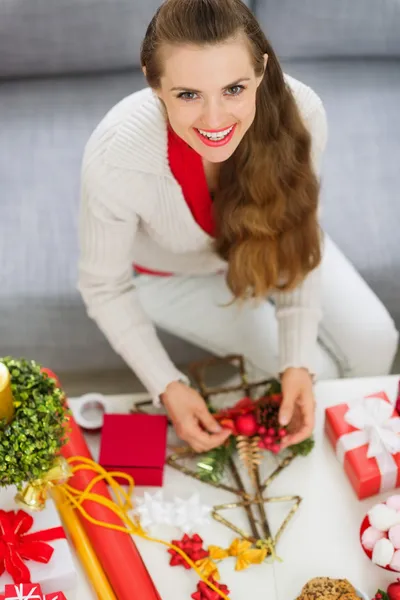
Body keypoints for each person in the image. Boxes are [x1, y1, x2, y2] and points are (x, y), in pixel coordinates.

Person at [78, 0, 398, 454]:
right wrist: (167, 385)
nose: (214, 121)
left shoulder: (301, 112)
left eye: (234, 89)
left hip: (270, 248)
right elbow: (103, 286)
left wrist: (295, 357)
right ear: (153, 80)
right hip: (176, 277)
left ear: (261, 70)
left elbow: (298, 236)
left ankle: (363, 460)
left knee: (374, 340)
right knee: (318, 367)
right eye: (188, 94)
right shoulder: (118, 154)